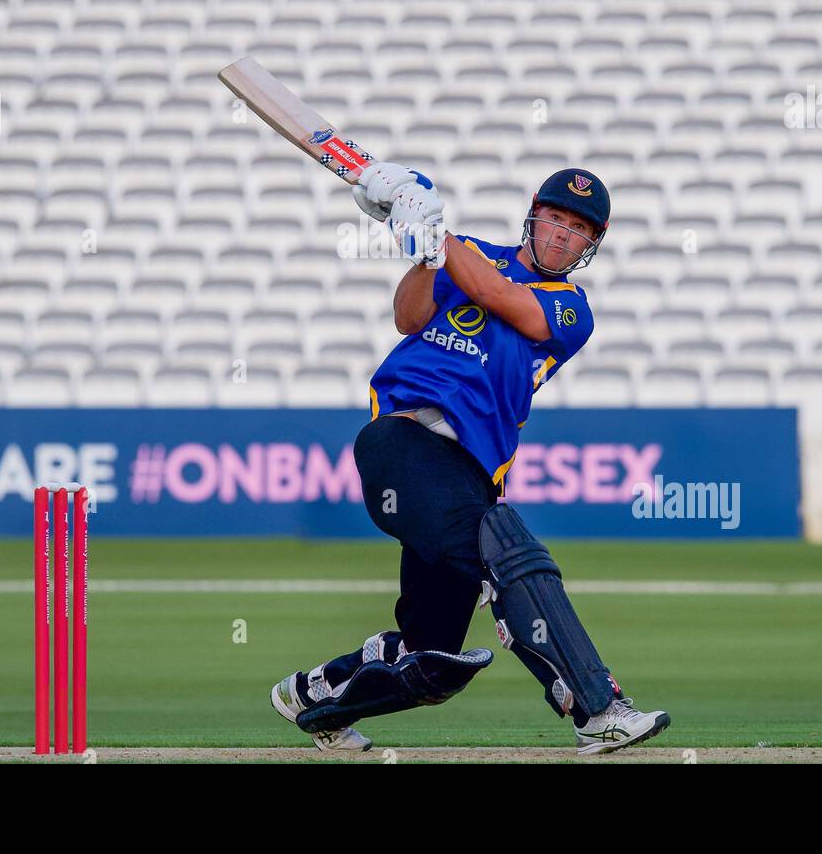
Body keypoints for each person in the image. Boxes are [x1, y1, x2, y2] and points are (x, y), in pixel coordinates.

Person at [271, 164, 670, 755]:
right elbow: (408, 316)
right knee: (507, 551)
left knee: (434, 659)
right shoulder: (470, 255)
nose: (562, 234)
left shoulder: (571, 310)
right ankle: (597, 709)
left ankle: (315, 699)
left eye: (578, 229)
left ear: (591, 245)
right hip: (404, 445)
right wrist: (425, 250)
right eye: (555, 218)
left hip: (468, 477)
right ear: (534, 217)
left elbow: (496, 296)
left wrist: (435, 228)